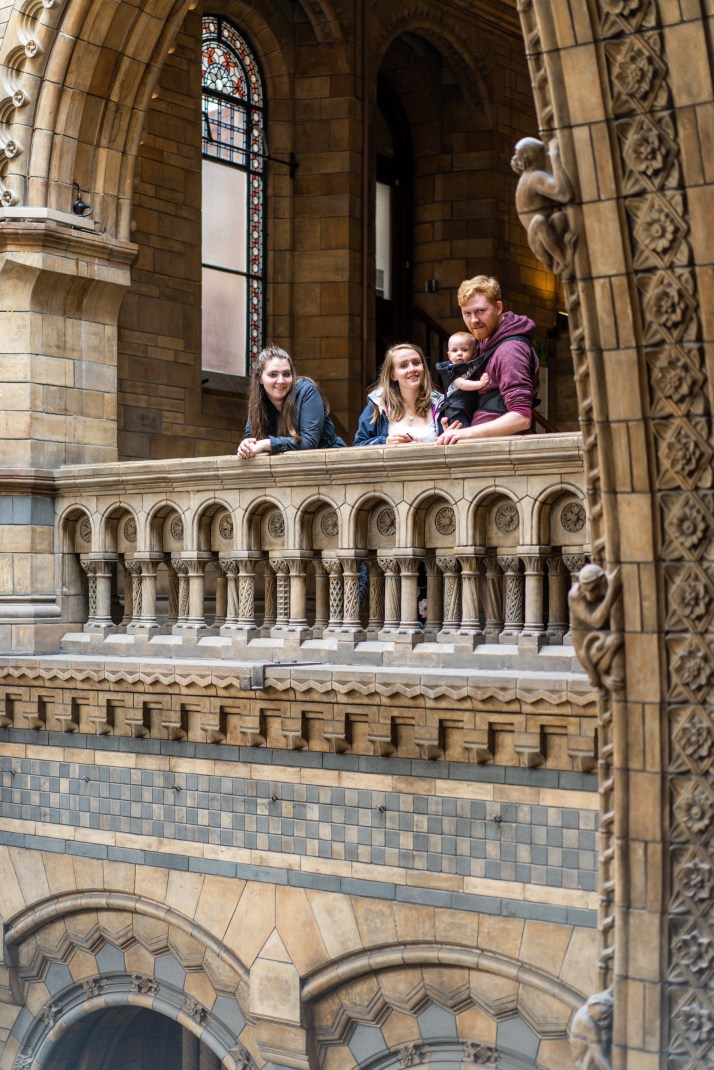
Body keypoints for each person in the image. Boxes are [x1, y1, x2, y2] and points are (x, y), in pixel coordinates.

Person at [436, 275, 539, 444]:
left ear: (498, 308)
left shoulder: (510, 351)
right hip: (490, 447)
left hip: (504, 453)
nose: (474, 320)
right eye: (467, 313)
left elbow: (521, 417)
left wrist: (465, 434)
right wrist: (457, 429)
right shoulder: (487, 341)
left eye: (481, 311)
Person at [237, 344, 346, 458]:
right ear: (260, 378)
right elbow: (252, 438)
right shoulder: (257, 402)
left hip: (331, 462)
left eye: (286, 374)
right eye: (273, 375)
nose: (281, 380)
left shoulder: (307, 392)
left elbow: (309, 443)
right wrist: (246, 446)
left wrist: (267, 443)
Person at [354, 342, 443, 446]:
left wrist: (423, 447)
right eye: (403, 365)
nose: (412, 369)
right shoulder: (378, 405)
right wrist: (385, 442)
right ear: (393, 375)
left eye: (416, 363)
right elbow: (359, 445)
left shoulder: (441, 404)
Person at [435, 330, 491, 427]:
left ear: (474, 353)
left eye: (464, 350)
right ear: (449, 355)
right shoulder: (451, 370)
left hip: (468, 405)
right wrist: (481, 383)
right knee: (461, 428)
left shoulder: (472, 367)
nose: (459, 353)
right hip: (455, 408)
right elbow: (463, 384)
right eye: (455, 350)